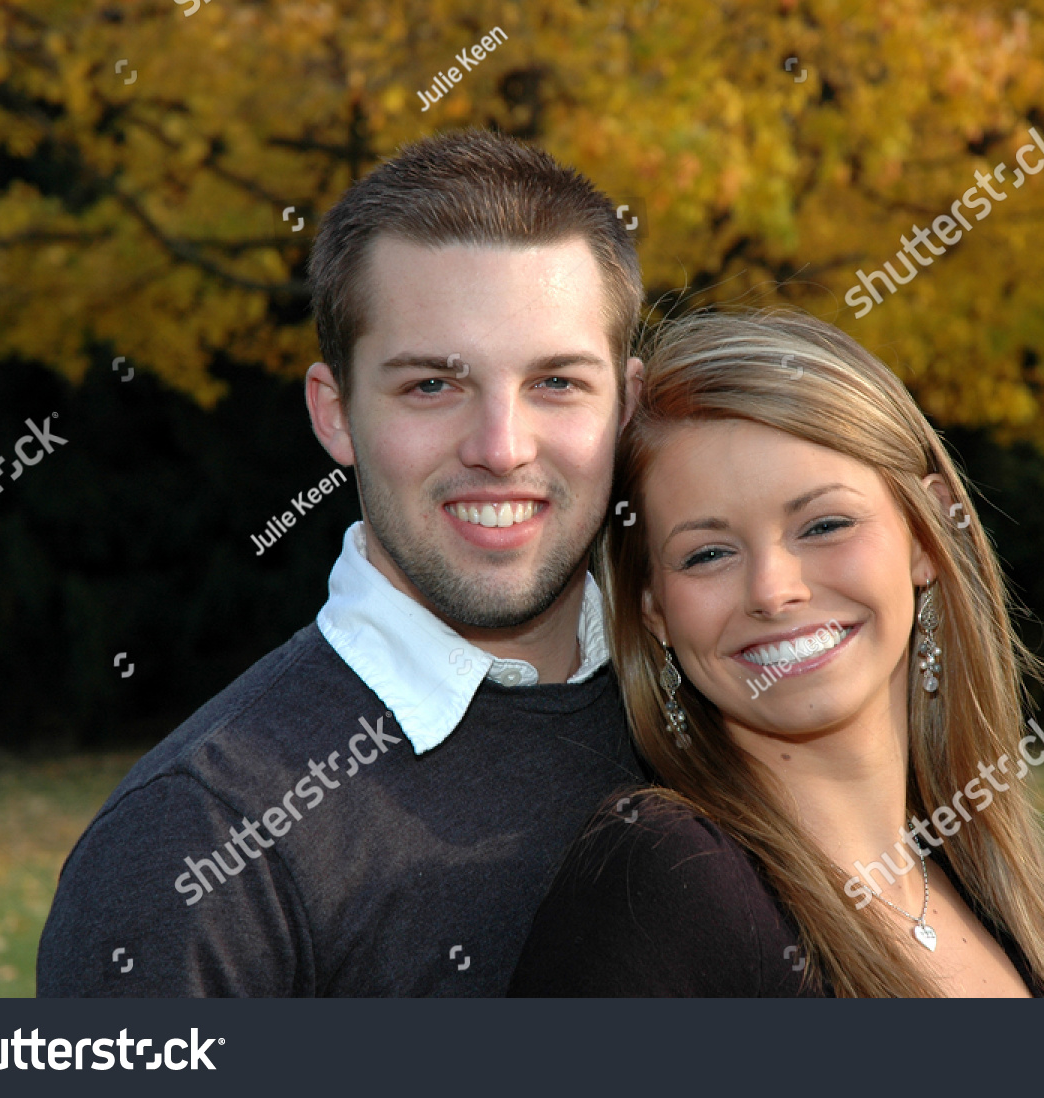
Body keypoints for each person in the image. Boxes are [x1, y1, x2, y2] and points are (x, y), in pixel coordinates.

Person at [36, 129, 649, 995]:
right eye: (432, 385)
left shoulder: (714, 720)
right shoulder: (196, 840)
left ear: (626, 406)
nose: (501, 449)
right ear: (333, 413)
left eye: (556, 383)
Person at [508, 309, 1044, 997]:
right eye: (708, 553)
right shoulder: (662, 883)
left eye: (825, 524)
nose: (774, 592)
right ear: (653, 607)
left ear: (927, 538)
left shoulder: (987, 883)